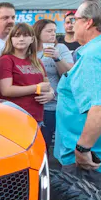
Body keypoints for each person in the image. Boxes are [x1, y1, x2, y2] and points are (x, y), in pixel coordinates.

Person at [55, 0, 101, 188]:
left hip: (90, 162)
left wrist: (82, 149)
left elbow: (99, 108)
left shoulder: (93, 55)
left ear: (89, 22)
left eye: (75, 19)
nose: (72, 25)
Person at [0, 23, 53, 123]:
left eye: (25, 35)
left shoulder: (37, 61)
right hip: (14, 116)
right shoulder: (6, 60)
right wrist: (37, 88)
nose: (21, 39)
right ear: (11, 39)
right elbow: (6, 90)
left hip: (36, 117)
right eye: (17, 36)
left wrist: (51, 94)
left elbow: (47, 85)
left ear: (32, 39)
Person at [34, 19, 74, 151]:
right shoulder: (29, 50)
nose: (53, 34)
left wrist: (57, 58)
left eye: (55, 31)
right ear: (38, 32)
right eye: (49, 31)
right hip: (32, 102)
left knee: (50, 141)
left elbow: (68, 74)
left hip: (54, 104)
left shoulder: (60, 48)